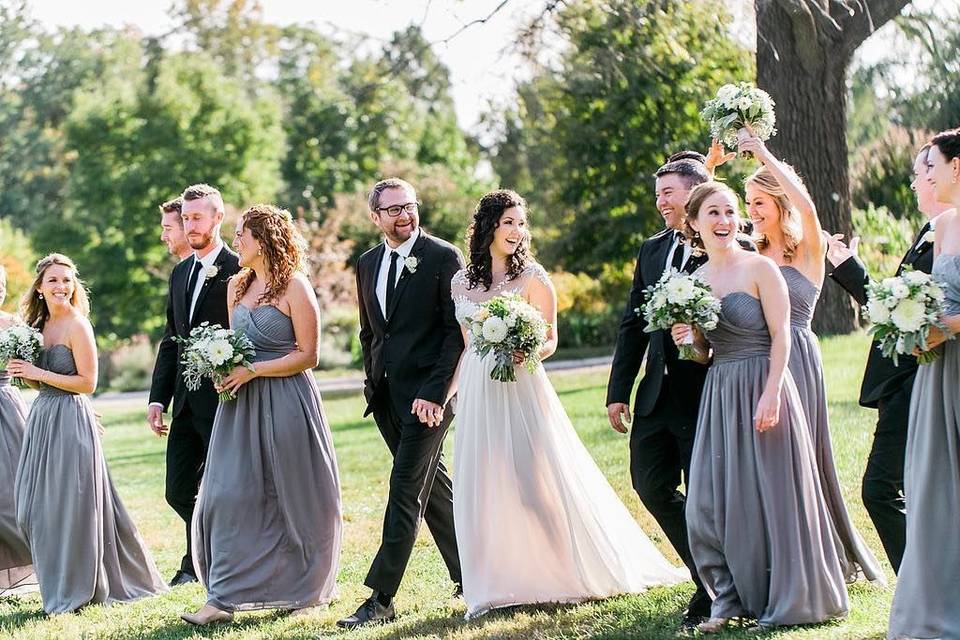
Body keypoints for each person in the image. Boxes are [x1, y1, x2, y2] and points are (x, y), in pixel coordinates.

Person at [451, 190, 685, 620]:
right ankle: (493, 582)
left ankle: (570, 566)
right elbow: (468, 346)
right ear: (488, 227)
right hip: (478, 393)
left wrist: (526, 350)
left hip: (522, 387)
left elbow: (550, 338)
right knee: (482, 484)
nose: (518, 232)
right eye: (509, 223)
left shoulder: (534, 277)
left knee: (534, 481)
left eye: (522, 224)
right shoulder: (461, 282)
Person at [674, 182, 847, 631]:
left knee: (772, 496)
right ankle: (726, 600)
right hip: (721, 390)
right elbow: (703, 354)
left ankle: (786, 599)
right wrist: (689, 340)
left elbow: (783, 335)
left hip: (765, 383)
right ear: (693, 224)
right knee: (709, 502)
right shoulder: (693, 283)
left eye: (730, 212)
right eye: (713, 213)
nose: (725, 221)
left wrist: (773, 391)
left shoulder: (759, 268)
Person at [606, 150, 746, 630]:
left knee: (707, 494)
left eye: (668, 193)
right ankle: (708, 574)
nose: (661, 202)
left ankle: (717, 589)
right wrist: (618, 389)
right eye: (658, 194)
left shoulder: (725, 245)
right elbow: (632, 323)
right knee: (650, 484)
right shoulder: (650, 250)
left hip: (706, 389)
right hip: (655, 395)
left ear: (694, 192)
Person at [182, 205, 342, 625]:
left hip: (288, 401)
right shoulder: (236, 286)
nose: (235, 241)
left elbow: (308, 355)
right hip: (240, 408)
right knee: (226, 496)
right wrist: (220, 366)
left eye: (241, 234)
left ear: (264, 239)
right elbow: (237, 344)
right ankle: (223, 596)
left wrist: (252, 370)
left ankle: (303, 584)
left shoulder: (295, 287)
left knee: (294, 495)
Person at [738, 130, 883, 584]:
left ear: (780, 202)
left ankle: (826, 552)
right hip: (761, 360)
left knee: (806, 456)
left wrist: (762, 152)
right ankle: (776, 554)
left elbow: (810, 208)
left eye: (758, 202)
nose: (751, 213)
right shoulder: (750, 252)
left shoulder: (808, 248)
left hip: (798, 356)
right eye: (748, 204)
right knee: (768, 459)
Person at [8, 254, 167, 613]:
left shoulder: (78, 325)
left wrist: (40, 372)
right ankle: (58, 577)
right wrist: (22, 368)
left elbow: (87, 382)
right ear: (39, 287)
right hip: (43, 419)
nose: (61, 286)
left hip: (70, 419)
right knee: (32, 508)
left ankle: (79, 584)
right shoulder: (36, 325)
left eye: (67, 279)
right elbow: (36, 381)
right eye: (53, 280)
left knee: (70, 506)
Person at [338, 178, 464, 629]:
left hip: (429, 399)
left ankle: (381, 598)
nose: (403, 215)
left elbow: (456, 332)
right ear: (375, 217)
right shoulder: (367, 262)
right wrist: (372, 382)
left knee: (405, 489)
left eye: (408, 206)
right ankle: (469, 573)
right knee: (435, 491)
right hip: (387, 398)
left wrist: (436, 393)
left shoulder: (443, 257)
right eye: (392, 209)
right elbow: (370, 330)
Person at [824, 142, 953, 573]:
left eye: (923, 171)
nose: (917, 182)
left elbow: (920, 314)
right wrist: (851, 269)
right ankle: (926, 591)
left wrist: (854, 273)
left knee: (882, 489)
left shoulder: (947, 234)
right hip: (910, 378)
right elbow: (902, 308)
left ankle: (923, 589)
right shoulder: (931, 232)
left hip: (926, 379)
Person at [146, 184, 241, 586]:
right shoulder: (180, 272)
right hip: (185, 401)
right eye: (185, 218)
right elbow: (172, 339)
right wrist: (157, 399)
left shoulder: (240, 269)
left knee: (224, 489)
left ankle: (197, 565)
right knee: (178, 489)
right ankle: (204, 554)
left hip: (226, 399)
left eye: (197, 217)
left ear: (218, 218)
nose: (190, 225)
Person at [888, 128, 960, 640]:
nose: (925, 175)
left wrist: (946, 325)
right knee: (935, 486)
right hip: (940, 371)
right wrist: (914, 328)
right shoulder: (944, 226)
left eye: (930, 165)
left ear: (957, 166)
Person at [0, 265, 37, 596]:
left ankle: (40, 559)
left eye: (0, 284)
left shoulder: (13, 324)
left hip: (7, 409)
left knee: (14, 494)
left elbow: (37, 369)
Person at [160, 196, 193, 261]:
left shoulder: (213, 266)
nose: (163, 237)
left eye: (168, 229)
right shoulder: (179, 270)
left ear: (187, 228)